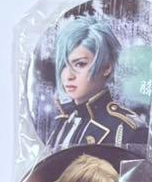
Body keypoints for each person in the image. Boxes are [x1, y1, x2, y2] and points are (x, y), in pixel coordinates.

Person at [48, 15, 143, 149]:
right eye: (64, 65)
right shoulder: (62, 124)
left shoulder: (126, 130)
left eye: (80, 64)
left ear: (106, 67)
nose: (68, 76)